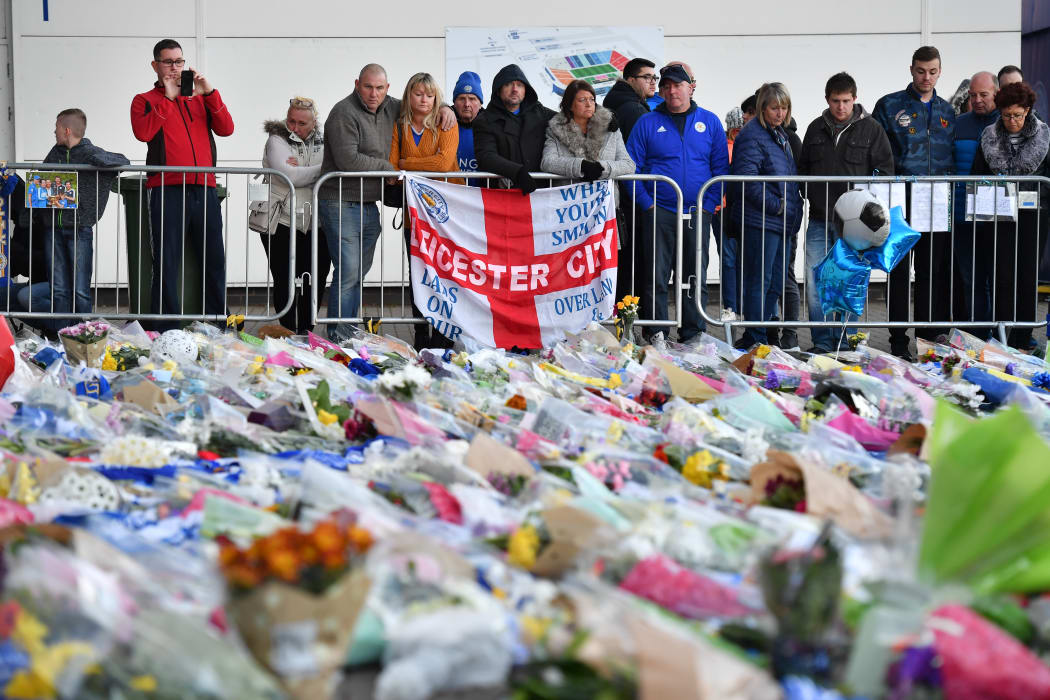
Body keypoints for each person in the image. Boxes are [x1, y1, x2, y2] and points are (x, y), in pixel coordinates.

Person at [318, 63, 456, 343]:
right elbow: (349, 160)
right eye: (368, 87)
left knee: (356, 275)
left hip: (369, 203)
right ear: (357, 84)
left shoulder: (392, 106)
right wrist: (391, 169)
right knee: (348, 273)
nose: (373, 94)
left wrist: (446, 108)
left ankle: (347, 332)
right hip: (341, 201)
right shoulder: (343, 113)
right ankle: (338, 337)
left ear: (388, 90)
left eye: (380, 88)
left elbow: (424, 101)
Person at [131, 38, 234, 330]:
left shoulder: (201, 97)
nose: (175, 68)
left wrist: (211, 92)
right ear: (156, 66)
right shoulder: (145, 100)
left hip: (204, 187)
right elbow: (143, 132)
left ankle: (216, 322)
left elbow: (226, 128)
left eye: (179, 62)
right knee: (167, 260)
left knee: (214, 258)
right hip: (167, 188)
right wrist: (168, 98)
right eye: (168, 62)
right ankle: (165, 326)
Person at [625, 64, 729, 344]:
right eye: (666, 86)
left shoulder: (710, 121)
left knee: (695, 274)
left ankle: (694, 332)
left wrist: (709, 205)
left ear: (690, 87)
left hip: (697, 213)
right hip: (659, 211)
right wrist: (647, 204)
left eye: (678, 85)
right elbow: (630, 168)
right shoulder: (646, 123)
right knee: (656, 275)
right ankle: (656, 331)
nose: (672, 91)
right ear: (660, 90)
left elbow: (720, 169)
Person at [799, 72, 894, 353]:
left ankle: (846, 340)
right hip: (819, 218)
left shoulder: (872, 129)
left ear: (855, 98)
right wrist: (812, 195)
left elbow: (885, 171)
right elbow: (803, 170)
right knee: (817, 282)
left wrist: (868, 205)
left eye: (846, 101)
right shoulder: (815, 128)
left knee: (850, 282)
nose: (841, 107)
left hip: (856, 228)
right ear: (827, 100)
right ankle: (821, 342)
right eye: (835, 101)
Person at [872, 45, 955, 360]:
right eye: (921, 71)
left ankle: (927, 338)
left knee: (930, 273)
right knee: (899, 271)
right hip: (900, 202)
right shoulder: (890, 106)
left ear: (940, 71)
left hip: (935, 203)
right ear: (911, 69)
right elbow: (879, 156)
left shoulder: (947, 111)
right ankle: (896, 340)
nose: (927, 77)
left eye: (933, 71)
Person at [970, 81, 1049, 351]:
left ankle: (1024, 337)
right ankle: (1003, 334)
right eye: (1006, 115)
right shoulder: (989, 136)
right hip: (999, 214)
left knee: (1027, 276)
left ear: (1027, 111)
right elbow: (976, 175)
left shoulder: (1043, 136)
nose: (1011, 120)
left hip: (1033, 215)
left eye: (1017, 115)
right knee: (1002, 275)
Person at [728, 82, 804, 349]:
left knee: (774, 281)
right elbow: (747, 180)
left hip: (781, 222)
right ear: (763, 108)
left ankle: (760, 334)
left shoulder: (779, 135)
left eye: (784, 108)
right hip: (761, 221)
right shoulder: (752, 135)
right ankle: (755, 336)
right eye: (775, 108)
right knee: (759, 281)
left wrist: (792, 209)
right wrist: (777, 205)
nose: (780, 113)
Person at [388, 72, 459, 349]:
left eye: (430, 95)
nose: (425, 100)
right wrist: (406, 165)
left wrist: (408, 162)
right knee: (417, 273)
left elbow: (443, 164)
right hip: (414, 215)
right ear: (409, 96)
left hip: (445, 216)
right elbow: (393, 169)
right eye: (419, 94)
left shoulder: (445, 123)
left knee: (444, 272)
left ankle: (444, 333)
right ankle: (420, 331)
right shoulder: (400, 126)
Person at [41, 108, 128, 326]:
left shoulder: (90, 152)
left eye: (57, 127)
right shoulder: (54, 153)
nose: (54, 131)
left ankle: (86, 333)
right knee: (58, 287)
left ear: (67, 130)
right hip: (53, 227)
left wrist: (93, 160)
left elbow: (122, 161)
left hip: (80, 229)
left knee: (80, 289)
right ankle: (59, 334)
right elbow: (40, 179)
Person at [257, 96, 332, 335]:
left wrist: (300, 169)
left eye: (302, 123)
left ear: (314, 123)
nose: (294, 128)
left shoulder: (326, 139)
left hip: (317, 222)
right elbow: (288, 175)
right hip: (282, 220)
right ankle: (287, 331)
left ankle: (307, 331)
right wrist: (323, 169)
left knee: (316, 278)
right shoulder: (276, 138)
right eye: (291, 121)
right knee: (285, 279)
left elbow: (299, 173)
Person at [952, 71, 1000, 331]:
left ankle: (1001, 337)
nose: (978, 100)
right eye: (973, 95)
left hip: (998, 218)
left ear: (996, 93)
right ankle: (977, 336)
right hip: (963, 217)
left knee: (998, 281)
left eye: (984, 94)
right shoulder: (959, 124)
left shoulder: (1008, 121)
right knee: (972, 280)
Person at [473, 64, 556, 194]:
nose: (515, 89)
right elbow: (486, 156)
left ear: (525, 90)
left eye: (520, 85)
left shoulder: (540, 113)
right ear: (499, 90)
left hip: (541, 194)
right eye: (508, 84)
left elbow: (570, 119)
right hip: (503, 195)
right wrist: (516, 172)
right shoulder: (485, 120)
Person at [540, 79, 635, 187]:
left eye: (592, 99)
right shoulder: (555, 130)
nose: (589, 104)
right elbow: (547, 162)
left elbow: (628, 164)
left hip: (604, 201)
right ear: (570, 105)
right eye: (582, 100)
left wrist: (601, 168)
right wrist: (580, 166)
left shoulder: (611, 129)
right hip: (570, 200)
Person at [602, 57, 657, 143]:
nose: (653, 82)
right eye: (647, 77)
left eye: (654, 77)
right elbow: (649, 146)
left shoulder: (616, 97)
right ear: (631, 80)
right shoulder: (636, 110)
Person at [452, 71, 484, 183]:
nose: (467, 104)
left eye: (472, 98)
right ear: (454, 103)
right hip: (451, 195)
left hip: (482, 196)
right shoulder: (443, 124)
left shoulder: (491, 126)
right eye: (461, 98)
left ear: (480, 104)